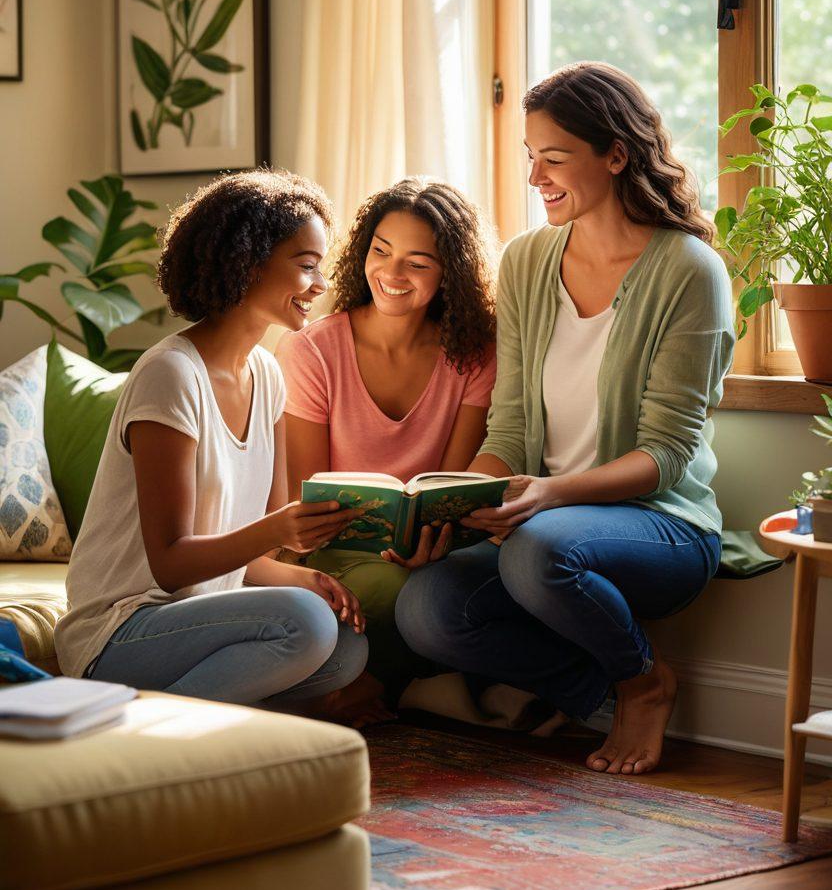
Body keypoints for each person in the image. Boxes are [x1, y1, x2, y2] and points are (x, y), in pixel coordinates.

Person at [395, 62, 735, 774]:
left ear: (616, 153)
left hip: (666, 527)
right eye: (529, 157)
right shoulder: (525, 261)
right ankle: (606, 698)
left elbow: (666, 455)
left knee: (538, 549)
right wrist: (456, 504)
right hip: (542, 525)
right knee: (427, 607)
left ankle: (644, 685)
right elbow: (511, 426)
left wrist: (549, 493)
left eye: (553, 158)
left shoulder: (688, 271)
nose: (534, 177)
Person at [55, 170, 369, 716]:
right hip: (121, 628)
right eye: (306, 265)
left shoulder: (267, 375)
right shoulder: (170, 376)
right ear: (249, 262)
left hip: (197, 615)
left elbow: (251, 551)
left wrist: (305, 575)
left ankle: (182, 714)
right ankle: (146, 732)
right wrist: (280, 531)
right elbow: (171, 565)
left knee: (346, 649)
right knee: (306, 623)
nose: (320, 285)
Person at [278, 178, 497, 704]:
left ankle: (370, 686)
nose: (392, 274)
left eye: (418, 263)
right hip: (329, 549)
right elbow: (304, 494)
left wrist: (433, 541)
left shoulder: (473, 353)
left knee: (446, 589)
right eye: (381, 251)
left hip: (429, 551)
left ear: (451, 275)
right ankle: (368, 687)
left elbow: (455, 482)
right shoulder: (312, 350)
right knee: (402, 591)